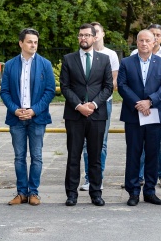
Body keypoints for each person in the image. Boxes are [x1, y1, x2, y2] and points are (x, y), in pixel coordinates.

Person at [1, 28, 56, 206]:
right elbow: (5, 92)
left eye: (35, 42)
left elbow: (49, 91)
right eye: (30, 41)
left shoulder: (45, 64)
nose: (33, 45)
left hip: (37, 117)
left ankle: (34, 192)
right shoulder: (10, 65)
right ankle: (21, 192)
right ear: (21, 43)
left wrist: (34, 110)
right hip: (16, 117)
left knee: (37, 156)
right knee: (19, 157)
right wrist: (15, 109)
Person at [60, 24, 114, 207]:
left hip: (97, 114)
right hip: (75, 115)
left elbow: (108, 87)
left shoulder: (104, 59)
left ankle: (96, 193)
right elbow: (65, 87)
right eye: (80, 35)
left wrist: (93, 104)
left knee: (95, 156)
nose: (83, 38)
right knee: (73, 155)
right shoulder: (68, 59)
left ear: (94, 38)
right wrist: (78, 105)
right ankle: (71, 194)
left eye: (87, 35)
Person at [118, 30, 161, 206]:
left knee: (153, 154)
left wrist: (150, 102)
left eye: (148, 40)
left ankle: (150, 191)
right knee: (133, 154)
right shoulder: (126, 62)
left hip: (154, 115)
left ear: (154, 42)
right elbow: (122, 85)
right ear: (137, 43)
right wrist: (138, 103)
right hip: (133, 115)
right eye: (141, 40)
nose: (144, 43)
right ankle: (133, 192)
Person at [132, 24, 161, 188]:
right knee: (141, 142)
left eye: (158, 34)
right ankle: (140, 175)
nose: (155, 37)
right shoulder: (134, 55)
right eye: (152, 34)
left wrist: (152, 99)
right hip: (140, 106)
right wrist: (142, 102)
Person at [79, 22, 119, 192]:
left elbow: (113, 82)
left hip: (103, 104)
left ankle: (98, 178)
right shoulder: (80, 55)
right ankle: (89, 178)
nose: (92, 35)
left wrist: (96, 101)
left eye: (96, 32)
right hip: (84, 105)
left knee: (101, 143)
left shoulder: (110, 55)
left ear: (101, 34)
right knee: (86, 144)